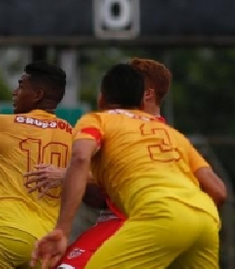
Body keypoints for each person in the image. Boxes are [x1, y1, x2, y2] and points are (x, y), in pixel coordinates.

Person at [28, 58, 227, 269]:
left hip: (154, 215)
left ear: (102, 97)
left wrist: (62, 228)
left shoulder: (98, 120)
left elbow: (81, 158)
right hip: (205, 218)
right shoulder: (173, 135)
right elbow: (219, 192)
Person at [0, 61, 72, 269]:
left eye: (21, 86)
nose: (15, 92)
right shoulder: (73, 134)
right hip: (44, 241)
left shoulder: (1, 123)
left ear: (38, 95)